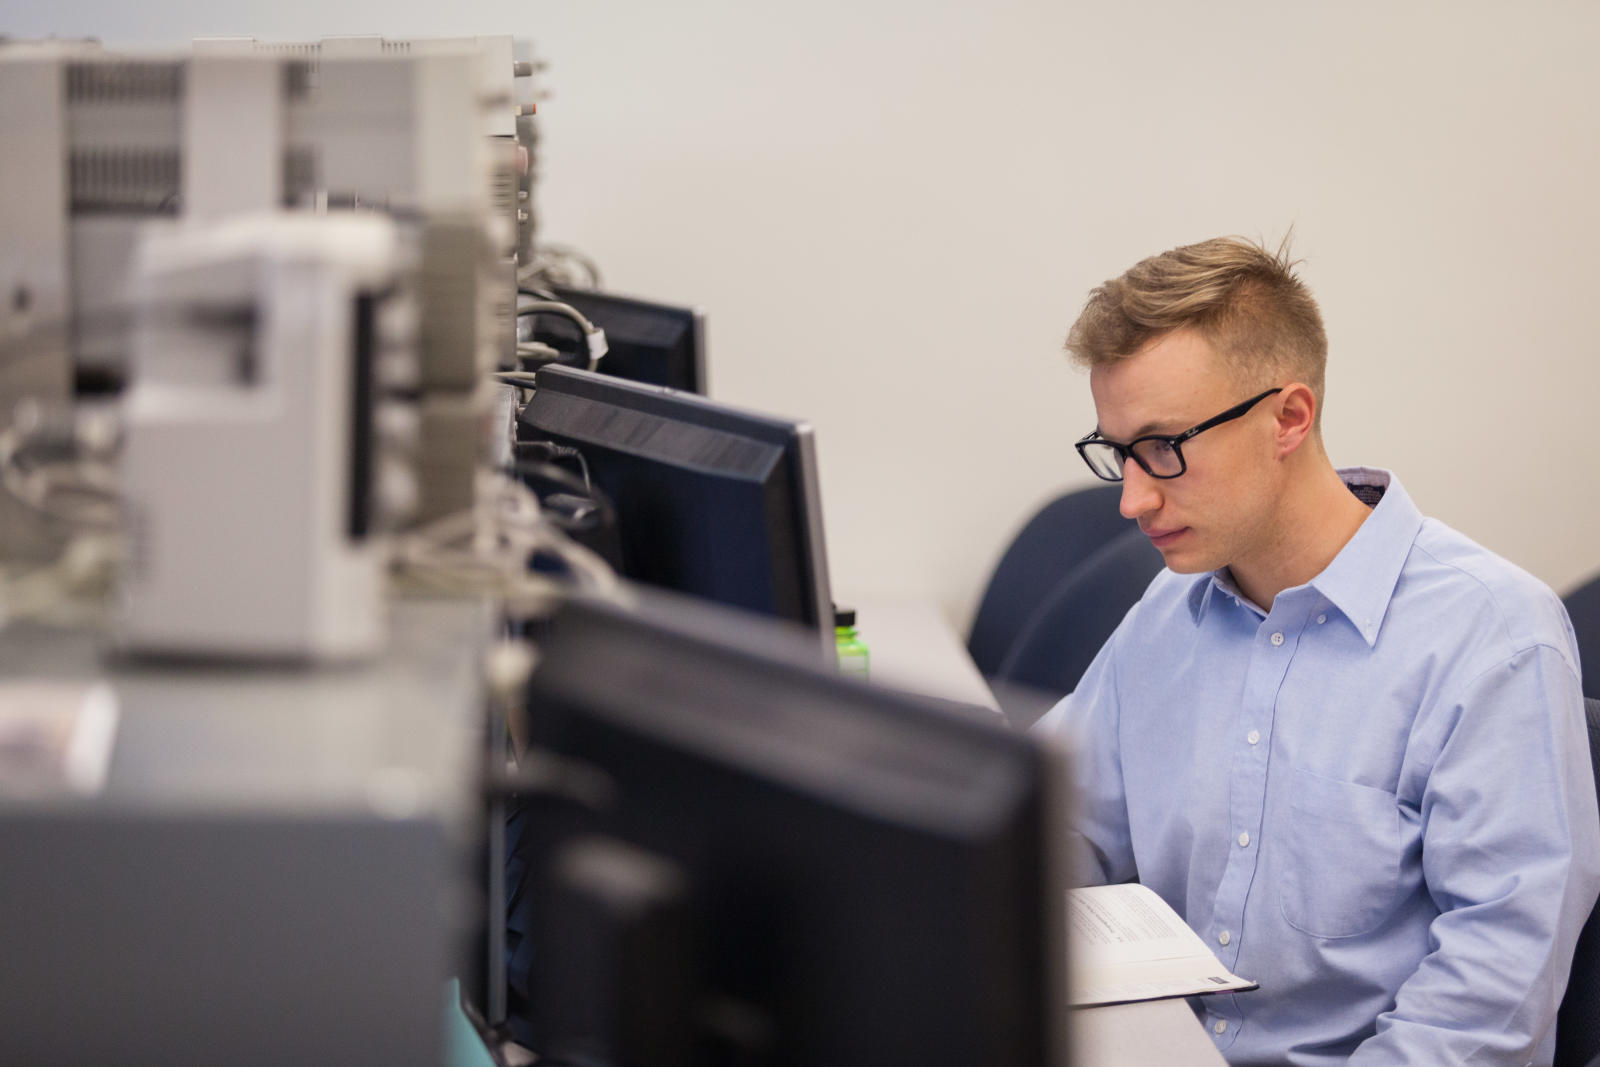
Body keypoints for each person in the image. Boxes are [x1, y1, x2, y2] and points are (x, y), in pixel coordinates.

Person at [1033, 235, 1600, 1065]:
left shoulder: (1493, 636)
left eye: (1163, 448)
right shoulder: (1168, 610)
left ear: (1289, 418)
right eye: (1118, 452)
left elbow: (1486, 1009)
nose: (1132, 497)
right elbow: (1047, 825)